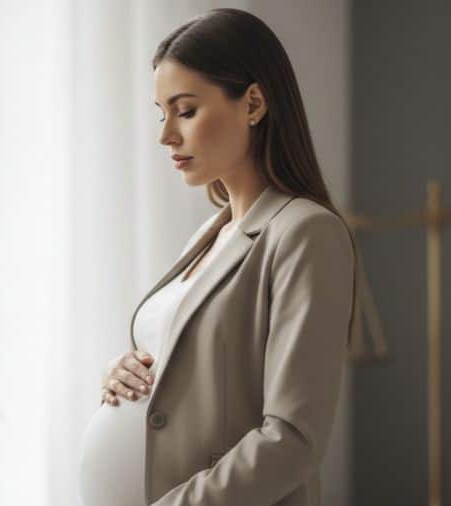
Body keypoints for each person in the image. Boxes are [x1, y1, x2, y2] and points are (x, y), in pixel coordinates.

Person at [77, 8, 359, 506]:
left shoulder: (306, 233)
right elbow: (190, 374)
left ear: (253, 102)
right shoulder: (208, 236)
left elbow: (293, 438)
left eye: (185, 111)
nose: (166, 135)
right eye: (161, 113)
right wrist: (124, 374)